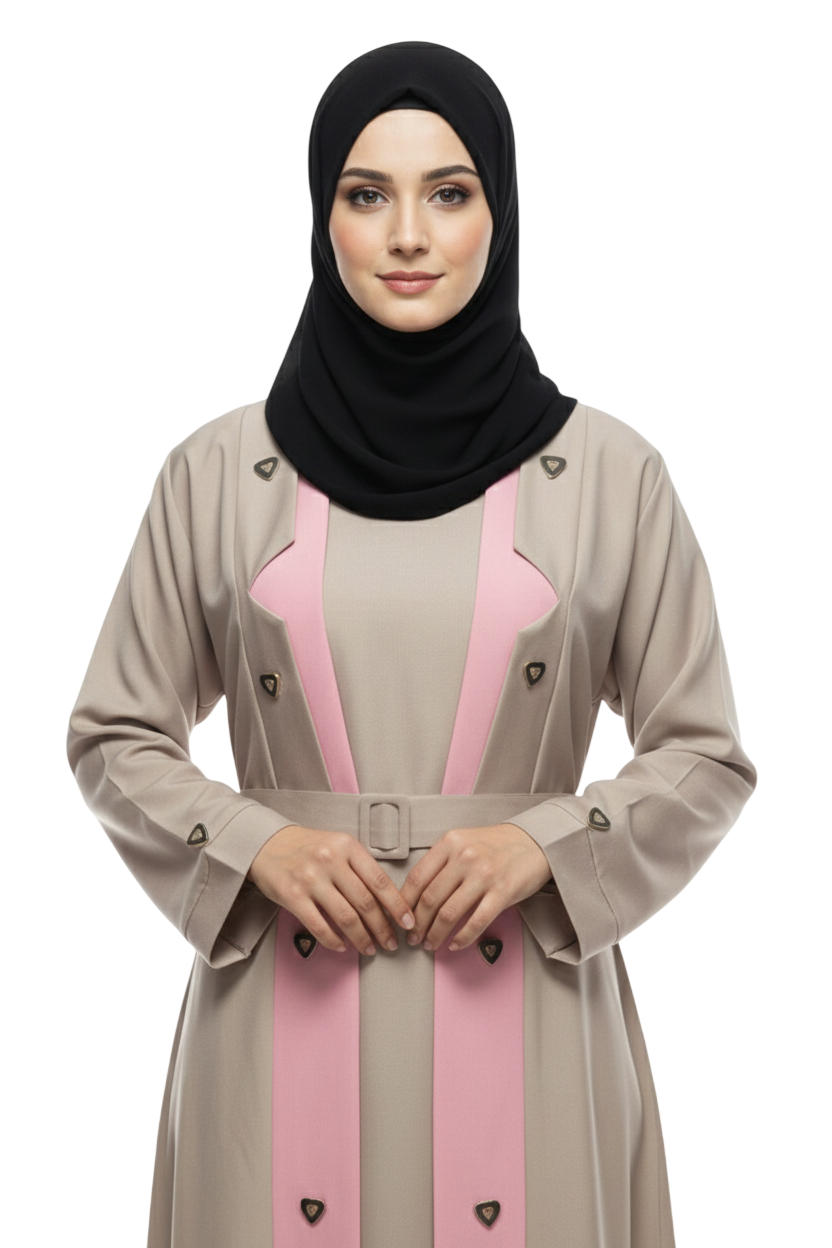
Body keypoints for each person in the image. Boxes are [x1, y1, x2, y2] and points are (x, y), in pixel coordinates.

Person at [67, 40, 757, 1248]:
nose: (405, 235)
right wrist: (258, 845)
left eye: (447, 193)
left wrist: (544, 845)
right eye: (364, 194)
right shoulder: (217, 473)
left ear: (501, 212)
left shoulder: (609, 476)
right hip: (276, 1008)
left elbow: (703, 755)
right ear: (320, 216)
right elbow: (115, 734)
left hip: (529, 1011)